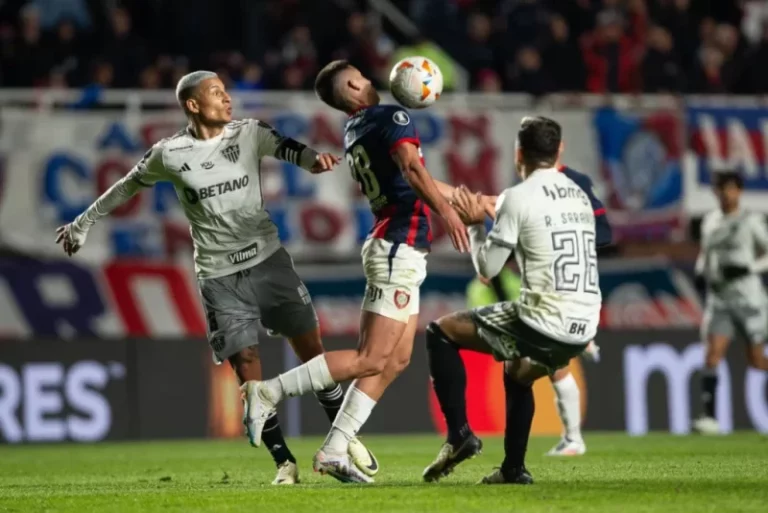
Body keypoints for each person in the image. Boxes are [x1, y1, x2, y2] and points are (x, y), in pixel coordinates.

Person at [54, 70, 377, 485]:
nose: (227, 99)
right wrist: (82, 223)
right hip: (219, 275)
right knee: (248, 370)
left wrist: (315, 160)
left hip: (269, 261)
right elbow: (125, 186)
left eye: (226, 91)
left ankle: (344, 438)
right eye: (216, 93)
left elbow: (291, 149)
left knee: (314, 354)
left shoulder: (249, 133)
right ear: (192, 105)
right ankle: (284, 462)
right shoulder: (169, 154)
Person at [240, 60, 495, 483]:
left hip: (400, 245)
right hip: (396, 244)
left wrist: (476, 202)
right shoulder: (391, 117)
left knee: (394, 360)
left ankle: (335, 449)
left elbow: (417, 176)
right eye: (362, 74)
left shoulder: (358, 127)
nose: (372, 78)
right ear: (355, 85)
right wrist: (448, 212)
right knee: (370, 357)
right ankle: (267, 392)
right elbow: (414, 171)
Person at [422, 116, 601, 485]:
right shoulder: (579, 195)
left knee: (440, 332)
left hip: (544, 319)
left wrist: (474, 225)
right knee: (518, 371)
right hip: (585, 324)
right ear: (558, 151)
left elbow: (487, 268)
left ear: (518, 152)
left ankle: (459, 436)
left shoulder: (517, 197)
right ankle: (513, 469)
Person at [465, 260, 601, 457]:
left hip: (522, 336)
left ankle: (573, 439)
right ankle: (577, 338)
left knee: (555, 368)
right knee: (547, 368)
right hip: (506, 342)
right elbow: (483, 324)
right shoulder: (478, 288)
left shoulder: (514, 280)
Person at [693, 171, 768, 435]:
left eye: (731, 188)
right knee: (712, 355)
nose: (726, 194)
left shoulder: (751, 220)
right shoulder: (710, 221)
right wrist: (700, 270)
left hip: (749, 300)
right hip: (720, 299)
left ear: (739, 191)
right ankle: (709, 418)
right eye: (721, 189)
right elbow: (705, 253)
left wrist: (749, 267)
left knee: (757, 360)